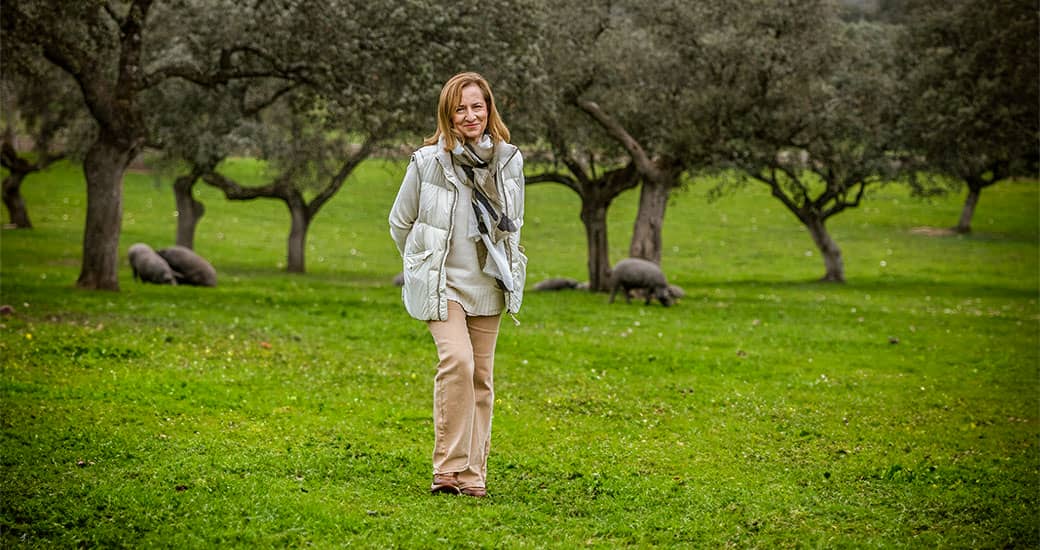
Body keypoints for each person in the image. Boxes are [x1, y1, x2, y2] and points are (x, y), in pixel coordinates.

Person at [388, 72, 527, 497]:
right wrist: (422, 265)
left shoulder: (508, 160)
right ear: (448, 115)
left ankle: (472, 475)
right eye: (460, 109)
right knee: (458, 363)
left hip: (488, 283)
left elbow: (513, 224)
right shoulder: (428, 161)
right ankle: (447, 469)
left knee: (481, 377)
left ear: (489, 110)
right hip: (443, 284)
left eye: (477, 107)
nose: (470, 116)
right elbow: (400, 222)